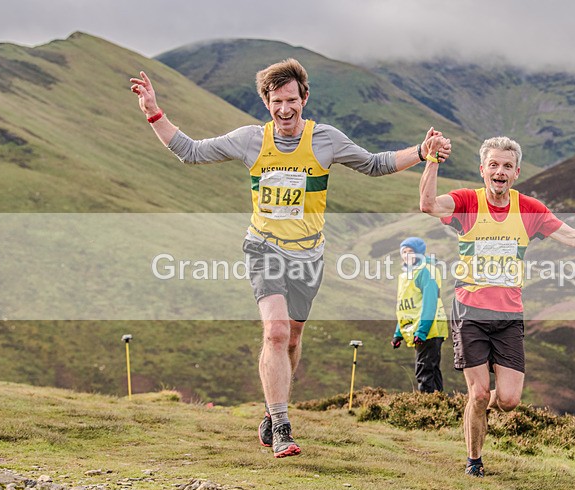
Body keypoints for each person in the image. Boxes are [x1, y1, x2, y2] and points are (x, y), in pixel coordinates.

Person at [130, 58, 452, 459]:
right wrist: (153, 113)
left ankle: (270, 409)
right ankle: (282, 426)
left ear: (305, 98)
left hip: (308, 256)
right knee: (276, 331)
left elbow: (373, 164)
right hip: (263, 248)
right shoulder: (250, 140)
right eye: (276, 101)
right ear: (266, 102)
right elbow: (191, 152)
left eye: (291, 100)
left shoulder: (325, 140)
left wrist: (422, 151)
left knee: (293, 337)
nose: (284, 109)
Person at [419, 135, 575, 477]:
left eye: (506, 166)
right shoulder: (466, 202)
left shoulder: (529, 209)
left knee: (508, 400)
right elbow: (428, 204)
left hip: (508, 316)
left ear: (516, 172)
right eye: (493, 165)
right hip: (470, 311)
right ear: (482, 170)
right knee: (478, 393)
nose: (499, 172)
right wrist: (432, 160)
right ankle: (474, 460)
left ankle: (477, 410)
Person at [391, 237, 448, 393]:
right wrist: (398, 333)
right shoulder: (406, 275)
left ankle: (426, 408)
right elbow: (405, 307)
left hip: (430, 328)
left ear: (419, 253)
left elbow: (430, 303)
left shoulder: (426, 271)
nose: (407, 255)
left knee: (424, 371)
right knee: (431, 369)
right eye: (404, 252)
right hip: (419, 328)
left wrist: (422, 331)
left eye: (411, 252)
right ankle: (438, 406)